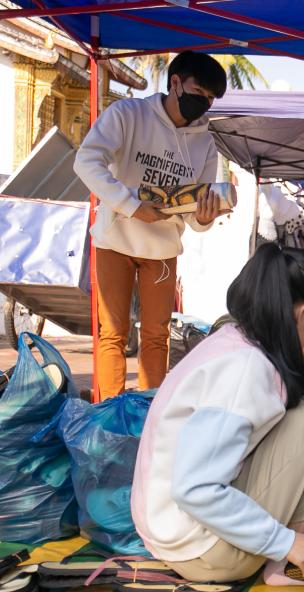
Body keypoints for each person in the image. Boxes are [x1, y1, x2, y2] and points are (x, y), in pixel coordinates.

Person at [131, 245, 304, 585]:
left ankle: (296, 537)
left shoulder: (238, 341)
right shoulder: (243, 369)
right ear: (300, 315)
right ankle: (289, 562)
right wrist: (286, 542)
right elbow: (196, 489)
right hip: (205, 551)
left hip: (181, 535)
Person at [74, 51, 230, 401]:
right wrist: (131, 206)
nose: (202, 103)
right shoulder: (128, 114)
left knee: (157, 335)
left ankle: (149, 412)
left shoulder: (205, 144)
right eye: (198, 91)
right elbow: (86, 162)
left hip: (162, 248)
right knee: (112, 332)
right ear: (175, 82)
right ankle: (109, 411)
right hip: (114, 239)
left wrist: (203, 219)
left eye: (209, 99)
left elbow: (194, 209)